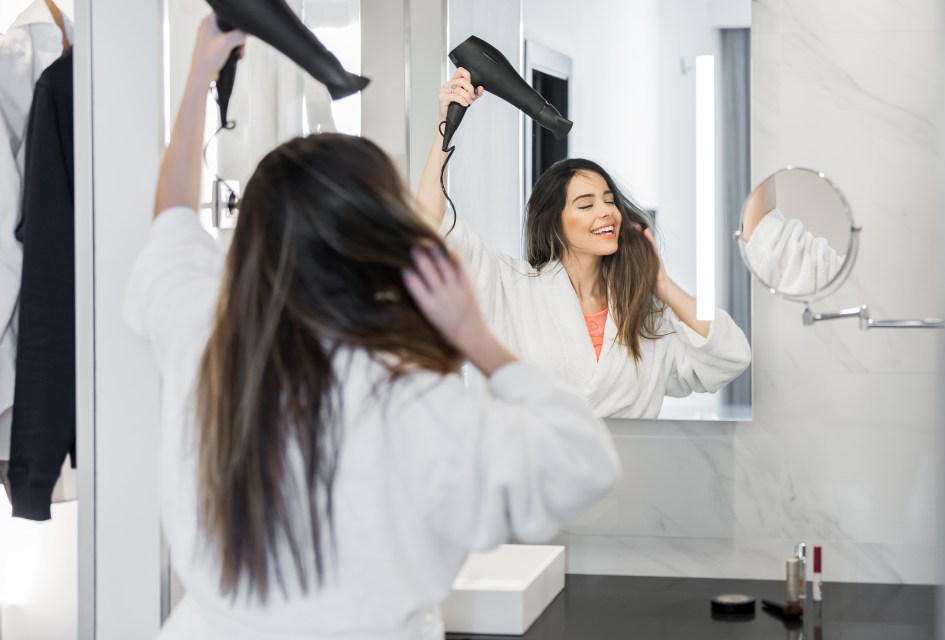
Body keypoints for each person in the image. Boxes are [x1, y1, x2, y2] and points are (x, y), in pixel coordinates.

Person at [123, 16, 619, 640]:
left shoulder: (204, 339)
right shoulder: (415, 403)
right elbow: (587, 464)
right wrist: (478, 341)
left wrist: (201, 76)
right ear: (383, 242)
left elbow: (170, 220)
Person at [416, 69, 752, 418]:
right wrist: (445, 124)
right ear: (554, 224)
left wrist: (662, 286)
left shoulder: (645, 312)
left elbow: (730, 357)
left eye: (609, 200)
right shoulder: (512, 289)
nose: (607, 212)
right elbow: (430, 227)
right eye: (587, 205)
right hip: (531, 470)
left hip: (630, 471)